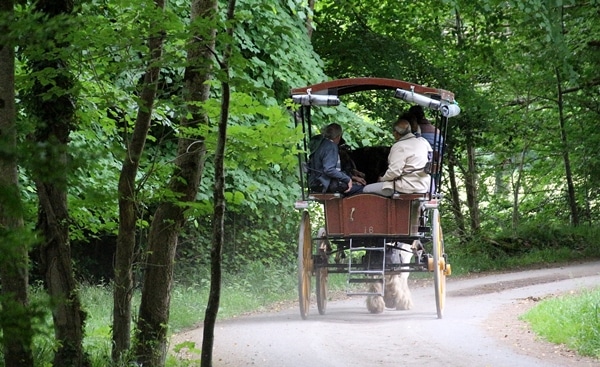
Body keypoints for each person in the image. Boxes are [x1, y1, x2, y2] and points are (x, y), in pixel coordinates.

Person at [362, 119, 431, 196]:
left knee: (366, 190)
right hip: (423, 185)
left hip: (406, 186)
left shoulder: (399, 146)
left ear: (396, 133)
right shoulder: (422, 142)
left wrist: (382, 179)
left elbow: (394, 172)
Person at [308, 123, 364, 196]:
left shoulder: (320, 144)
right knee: (361, 189)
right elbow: (329, 169)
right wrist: (348, 179)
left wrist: (350, 178)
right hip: (325, 185)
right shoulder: (331, 147)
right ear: (339, 136)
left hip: (317, 183)